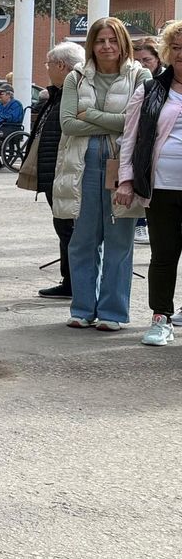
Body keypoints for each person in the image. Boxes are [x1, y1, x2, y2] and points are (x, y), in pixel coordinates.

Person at [57, 16, 151, 329]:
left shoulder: (141, 76)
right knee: (82, 239)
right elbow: (68, 123)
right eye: (100, 40)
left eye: (113, 40)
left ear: (123, 43)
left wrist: (92, 115)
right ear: (91, 45)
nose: (106, 46)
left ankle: (113, 313)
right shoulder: (76, 77)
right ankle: (82, 309)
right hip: (81, 167)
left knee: (119, 241)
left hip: (122, 167)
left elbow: (136, 123)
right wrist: (115, 118)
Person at [118, 20, 182, 346]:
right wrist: (126, 181)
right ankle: (161, 318)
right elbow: (130, 138)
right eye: (178, 48)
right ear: (168, 52)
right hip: (162, 186)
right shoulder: (150, 89)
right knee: (164, 254)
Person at [21, 41, 85, 299]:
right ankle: (69, 280)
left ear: (61, 65)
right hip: (55, 173)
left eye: (49, 64)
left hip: (65, 173)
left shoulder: (74, 93)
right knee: (63, 227)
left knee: (69, 227)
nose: (47, 69)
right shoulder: (59, 93)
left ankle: (74, 283)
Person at [133, 36, 163, 245]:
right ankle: (140, 224)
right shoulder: (138, 82)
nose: (142, 65)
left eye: (146, 60)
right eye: (138, 61)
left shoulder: (164, 84)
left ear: (158, 59)